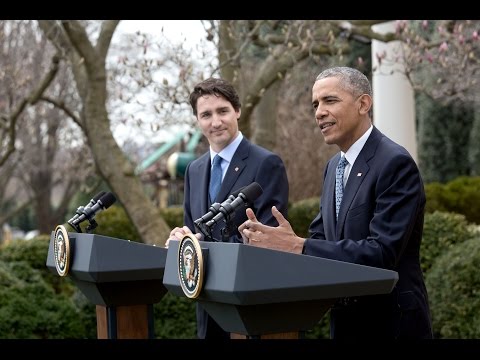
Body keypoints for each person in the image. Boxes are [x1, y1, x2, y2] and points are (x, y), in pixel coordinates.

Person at [239, 66, 433, 339]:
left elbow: (381, 253)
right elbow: (322, 238)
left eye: (330, 100)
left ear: (363, 104)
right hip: (344, 323)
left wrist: (299, 246)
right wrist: (277, 245)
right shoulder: (334, 168)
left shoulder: (395, 163)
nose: (318, 112)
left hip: (391, 324)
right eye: (315, 104)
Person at [167, 77, 289, 339]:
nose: (216, 122)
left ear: (237, 111)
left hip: (248, 303)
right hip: (206, 301)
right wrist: (181, 240)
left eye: (223, 111)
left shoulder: (266, 164)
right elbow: (193, 228)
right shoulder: (194, 170)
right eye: (206, 115)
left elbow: (271, 241)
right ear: (197, 120)